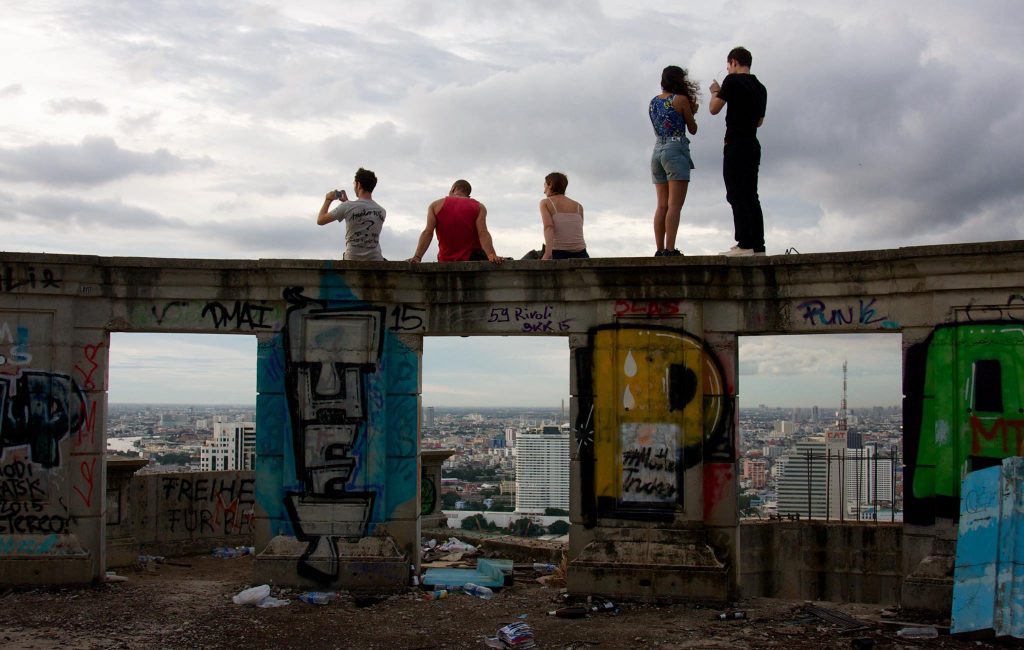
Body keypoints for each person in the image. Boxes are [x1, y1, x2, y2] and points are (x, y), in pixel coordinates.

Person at [709, 46, 768, 257]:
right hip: (752, 143)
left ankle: (744, 243)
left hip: (735, 143)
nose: (727, 70)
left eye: (728, 66)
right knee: (752, 194)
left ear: (734, 62)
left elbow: (714, 108)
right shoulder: (761, 88)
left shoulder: (731, 81)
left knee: (735, 193)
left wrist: (716, 91)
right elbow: (759, 121)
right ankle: (757, 245)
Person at [649, 65, 699, 257]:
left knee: (661, 204)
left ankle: (660, 249)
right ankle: (670, 249)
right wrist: (692, 112)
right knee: (674, 205)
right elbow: (692, 128)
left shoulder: (653, 102)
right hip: (675, 148)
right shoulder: (680, 99)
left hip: (657, 150)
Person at [408, 179, 501, 263]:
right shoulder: (479, 207)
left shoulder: (435, 205)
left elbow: (428, 232)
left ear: (453, 189)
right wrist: (491, 255)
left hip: (445, 260)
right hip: (472, 259)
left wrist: (417, 257)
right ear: (468, 195)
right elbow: (483, 233)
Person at [316, 167, 386, 261]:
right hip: (375, 259)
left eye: (354, 183)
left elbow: (320, 220)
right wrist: (346, 202)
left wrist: (328, 199)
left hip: (352, 258)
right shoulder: (381, 211)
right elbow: (364, 213)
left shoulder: (347, 206)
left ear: (358, 184)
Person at [539, 172, 588, 260]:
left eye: (544, 186)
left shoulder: (545, 202)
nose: (544, 191)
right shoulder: (578, 206)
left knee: (531, 255)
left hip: (558, 253)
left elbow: (548, 227)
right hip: (582, 254)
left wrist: (547, 254)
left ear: (550, 185)